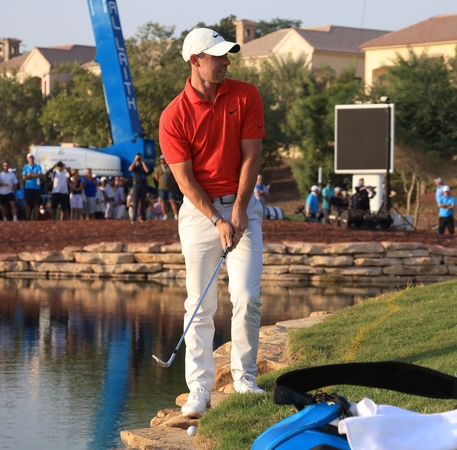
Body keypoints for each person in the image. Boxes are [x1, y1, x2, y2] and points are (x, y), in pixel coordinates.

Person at [159, 27, 266, 418]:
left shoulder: (245, 94)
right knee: (200, 303)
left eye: (227, 55)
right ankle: (200, 389)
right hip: (199, 213)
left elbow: (251, 157)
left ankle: (244, 377)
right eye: (218, 56)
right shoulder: (174, 115)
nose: (226, 61)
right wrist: (218, 220)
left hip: (242, 207)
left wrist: (237, 211)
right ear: (195, 61)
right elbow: (184, 179)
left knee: (246, 294)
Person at [154, 154, 180, 219]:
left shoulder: (171, 166)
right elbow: (156, 177)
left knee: (172, 201)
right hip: (162, 187)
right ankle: (165, 215)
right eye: (162, 159)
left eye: (164, 159)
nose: (163, 160)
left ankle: (175, 215)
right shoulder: (158, 168)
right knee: (163, 201)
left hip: (171, 187)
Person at [21, 153, 43, 220]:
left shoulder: (38, 167)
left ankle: (35, 218)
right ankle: (27, 218)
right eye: (30, 158)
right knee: (28, 204)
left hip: (36, 188)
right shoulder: (25, 167)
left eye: (32, 158)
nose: (31, 159)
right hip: (28, 188)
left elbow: (40, 175)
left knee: (36, 204)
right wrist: (33, 175)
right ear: (28, 159)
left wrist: (31, 175)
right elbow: (24, 177)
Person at [129, 153, 150, 223]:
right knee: (135, 202)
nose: (138, 159)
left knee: (143, 202)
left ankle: (143, 217)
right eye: (137, 158)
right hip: (136, 185)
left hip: (143, 185)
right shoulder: (135, 166)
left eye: (139, 158)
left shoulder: (143, 166)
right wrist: (135, 161)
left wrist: (142, 161)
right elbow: (130, 169)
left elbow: (147, 170)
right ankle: (133, 218)